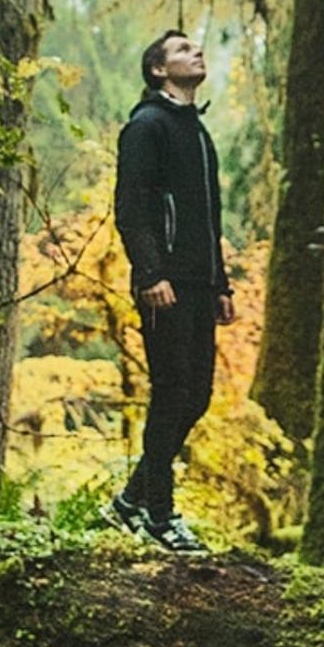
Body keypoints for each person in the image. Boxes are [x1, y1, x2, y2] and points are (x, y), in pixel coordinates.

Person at [109, 29, 228, 551]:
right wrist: (150, 273)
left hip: (199, 285)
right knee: (172, 392)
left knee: (197, 394)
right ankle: (159, 517)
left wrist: (221, 283)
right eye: (182, 50)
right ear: (158, 70)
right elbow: (131, 208)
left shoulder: (198, 133)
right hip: (164, 284)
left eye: (195, 48)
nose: (195, 52)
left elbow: (209, 217)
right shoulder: (147, 126)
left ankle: (130, 501)